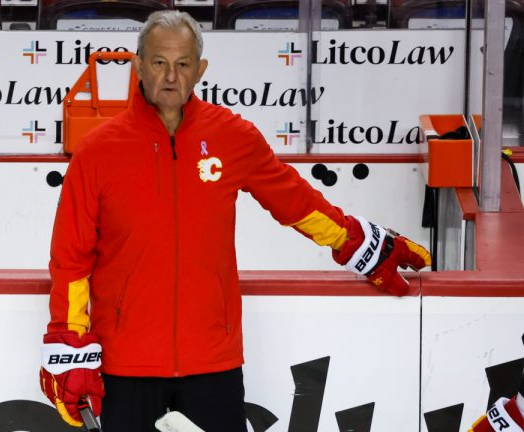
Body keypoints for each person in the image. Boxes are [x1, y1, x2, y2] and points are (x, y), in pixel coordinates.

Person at [39, 9, 431, 432]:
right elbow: (71, 258)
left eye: (183, 63)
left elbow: (295, 202)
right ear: (137, 66)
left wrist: (353, 241)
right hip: (126, 365)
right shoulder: (98, 151)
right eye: (158, 62)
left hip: (213, 362)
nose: (171, 76)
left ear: (200, 69)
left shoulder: (232, 136)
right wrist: (70, 339)